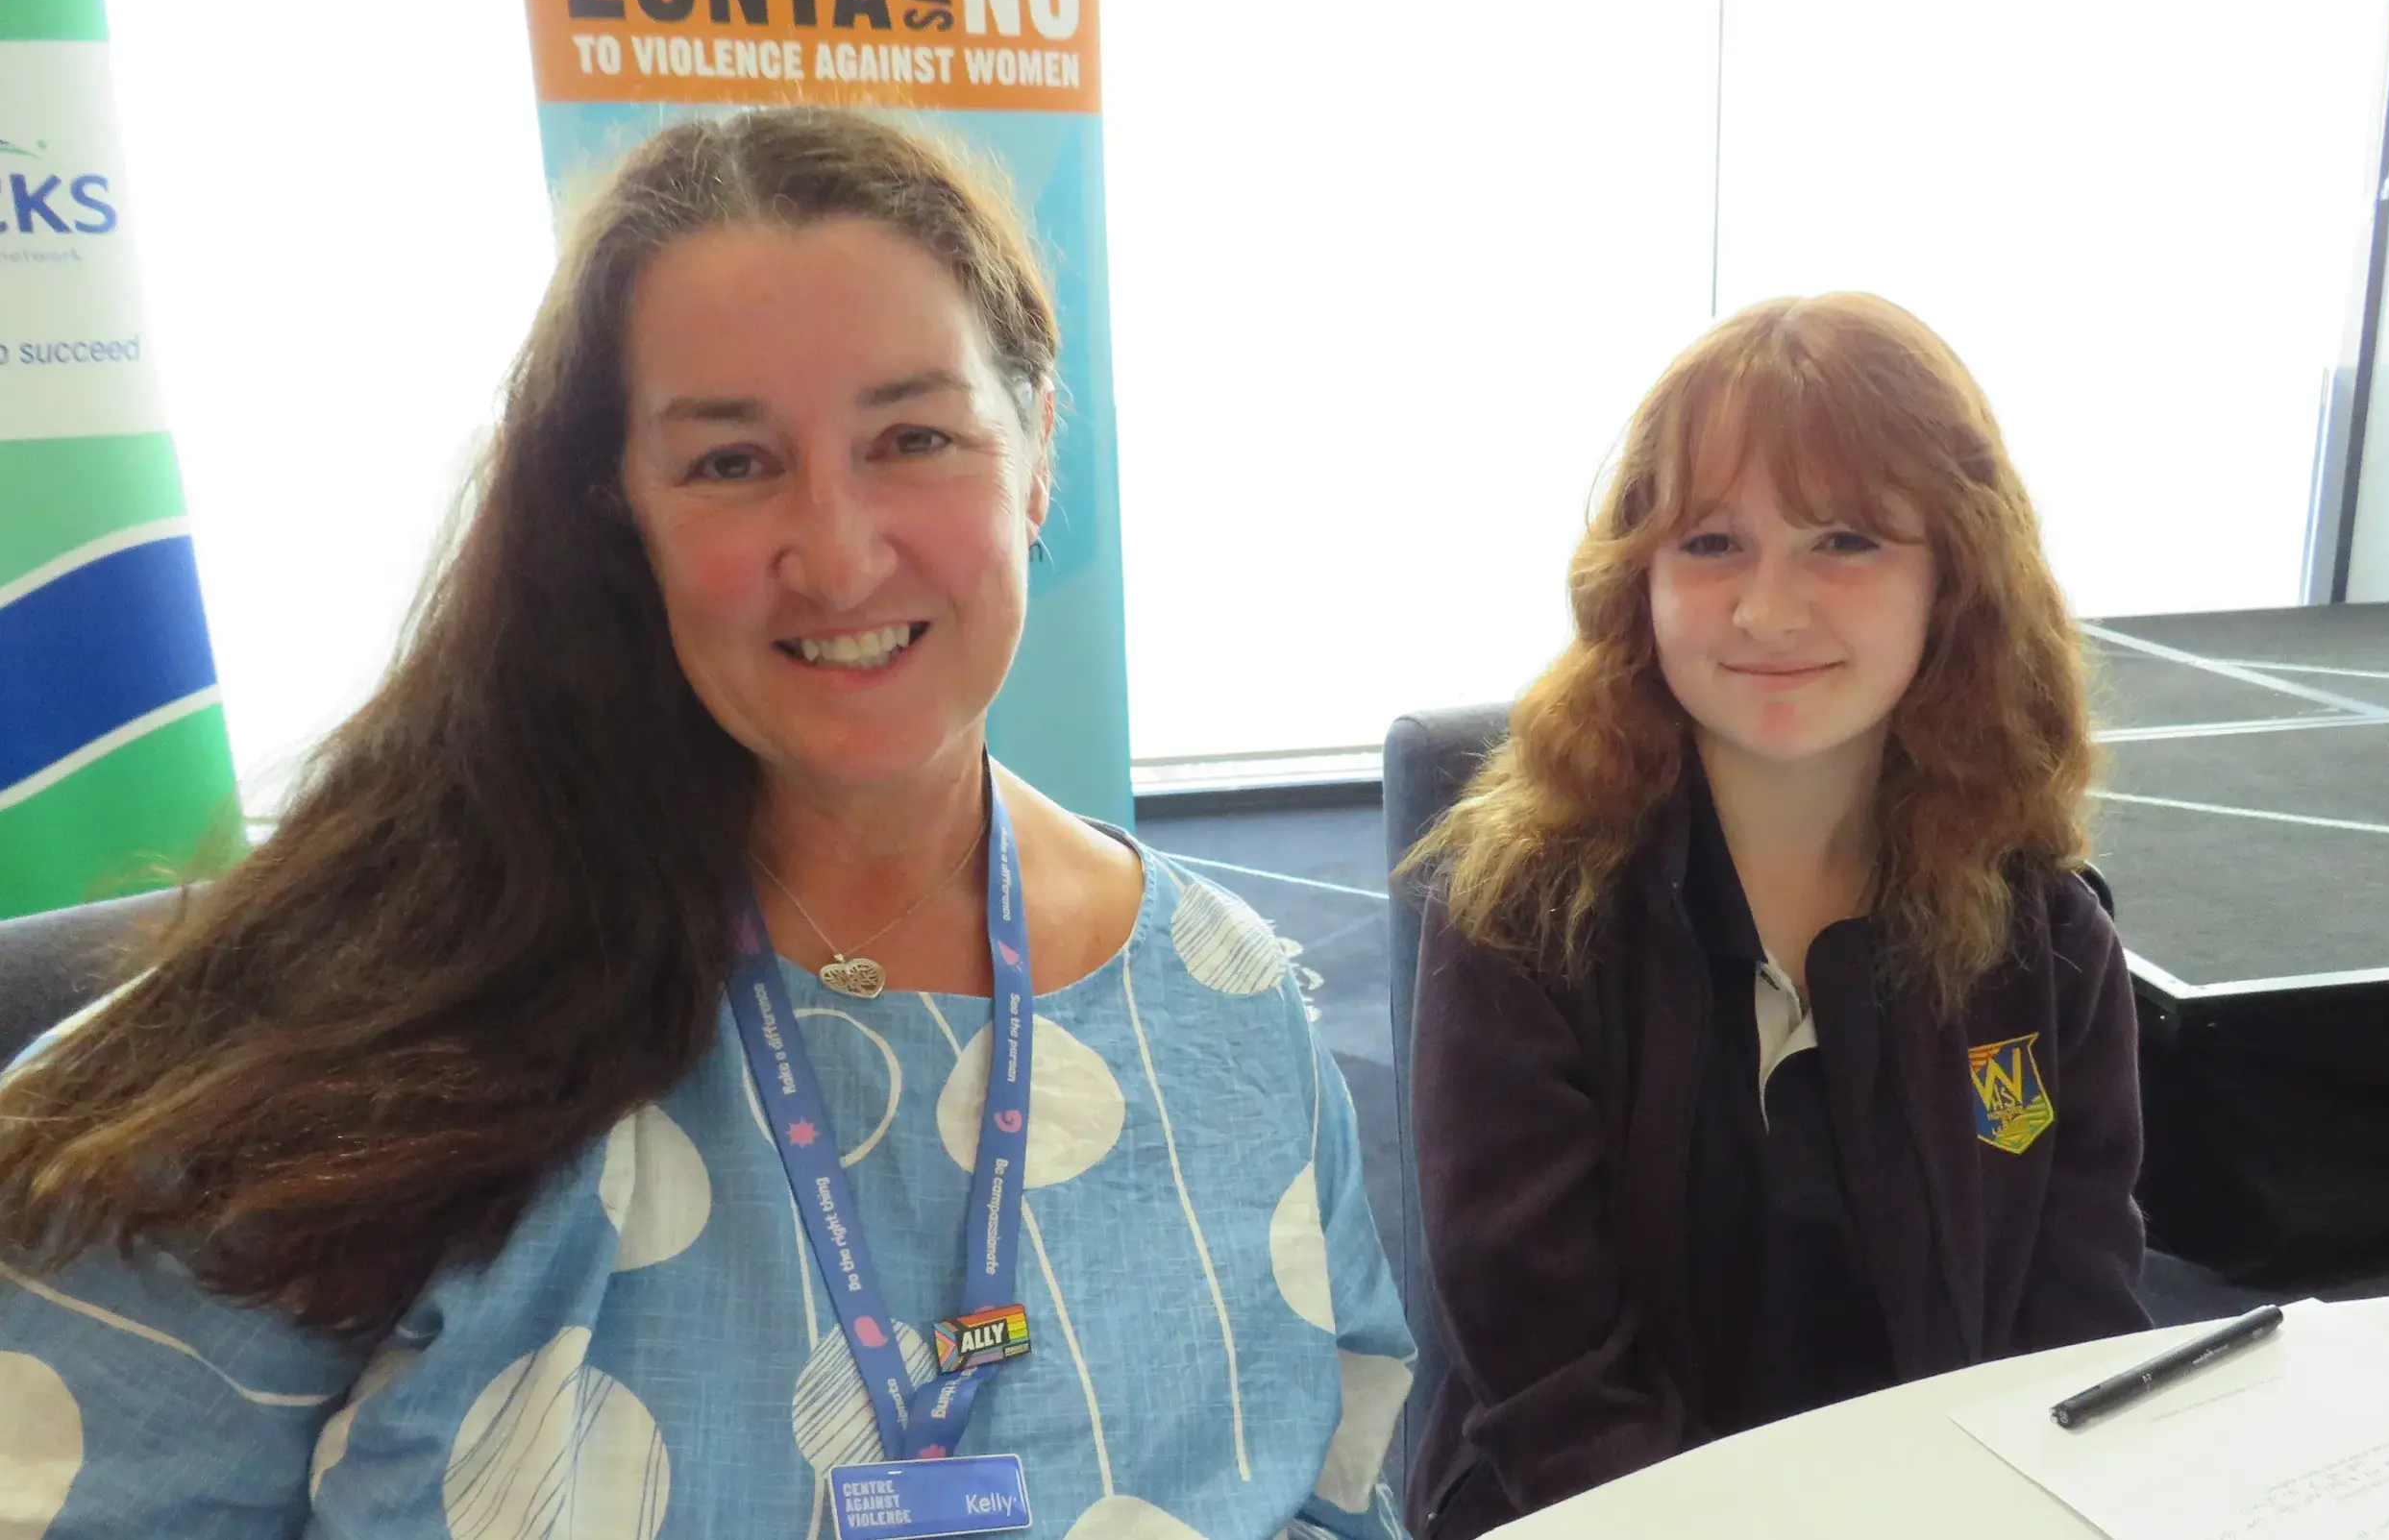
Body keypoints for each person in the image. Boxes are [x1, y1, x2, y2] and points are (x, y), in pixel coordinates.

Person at [0, 109, 1411, 1540]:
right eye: (731, 463)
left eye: (913, 435)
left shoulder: (1223, 1006)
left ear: (1037, 451)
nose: (841, 551)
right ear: (622, 508)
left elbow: (1327, 1497)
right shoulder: (379, 1002)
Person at [1403, 293, 2151, 1539]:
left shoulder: (2047, 939)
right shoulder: (1523, 915)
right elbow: (1553, 1390)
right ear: (1638, 574)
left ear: (1955, 577)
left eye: (1845, 540)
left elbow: (2077, 1344)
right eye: (1710, 544)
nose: (1767, 607)